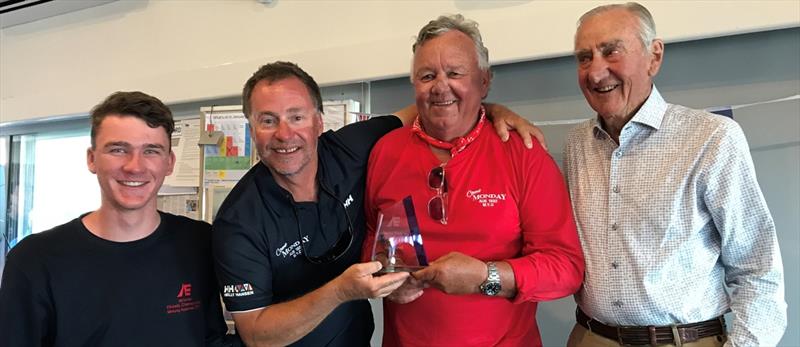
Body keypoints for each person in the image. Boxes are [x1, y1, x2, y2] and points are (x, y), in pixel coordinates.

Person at [211, 61, 543, 347]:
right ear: (252, 130)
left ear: (318, 121)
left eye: (296, 117)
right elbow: (256, 334)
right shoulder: (239, 221)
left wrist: (492, 111)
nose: (284, 134)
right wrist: (341, 291)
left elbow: (432, 109)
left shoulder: (349, 148)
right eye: (268, 121)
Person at [564, 3, 787, 347]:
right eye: (584, 57)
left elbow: (758, 270)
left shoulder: (712, 137)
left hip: (682, 340)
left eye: (611, 51)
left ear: (654, 56)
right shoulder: (577, 143)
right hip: (591, 337)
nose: (595, 72)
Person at [361, 14, 585, 347]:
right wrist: (382, 271)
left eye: (454, 73)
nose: (440, 86)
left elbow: (564, 268)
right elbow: (369, 238)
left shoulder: (523, 153)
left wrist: (486, 277)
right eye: (427, 75)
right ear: (414, 85)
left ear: (484, 81)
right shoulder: (384, 152)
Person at [0, 91, 238, 346]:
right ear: (92, 159)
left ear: (169, 163)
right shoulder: (35, 259)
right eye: (118, 149)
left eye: (151, 151)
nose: (134, 166)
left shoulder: (202, 242)